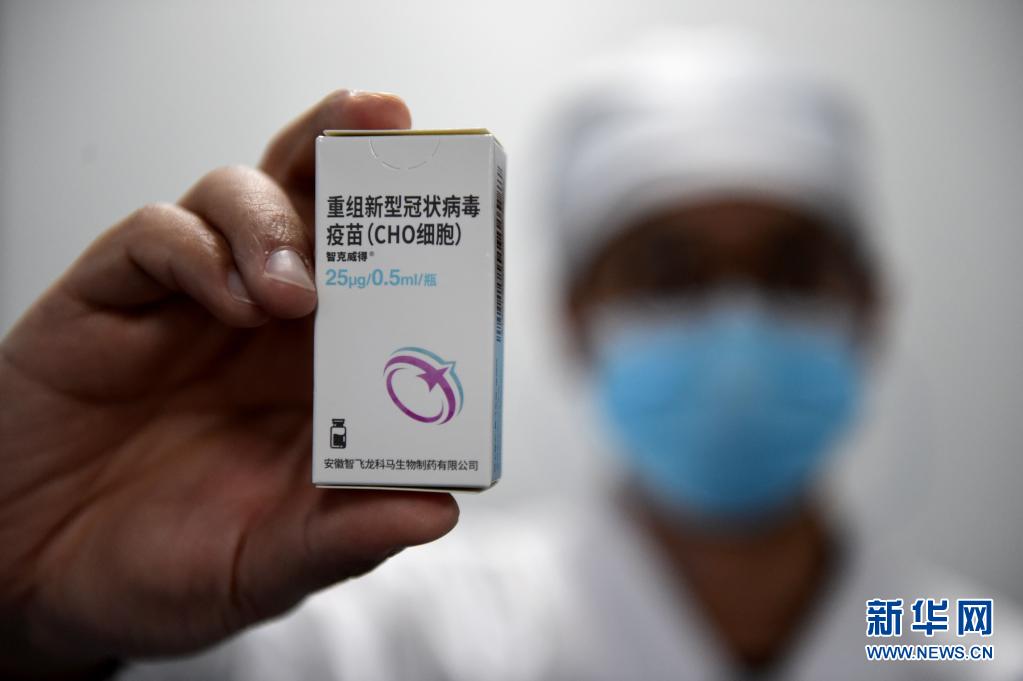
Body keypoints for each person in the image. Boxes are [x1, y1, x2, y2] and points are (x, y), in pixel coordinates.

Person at [2, 28, 1022, 681]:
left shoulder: (943, 631)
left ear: (869, 305)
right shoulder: (413, 626)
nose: (737, 321)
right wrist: (28, 608)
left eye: (793, 270)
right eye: (666, 274)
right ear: (573, 316)